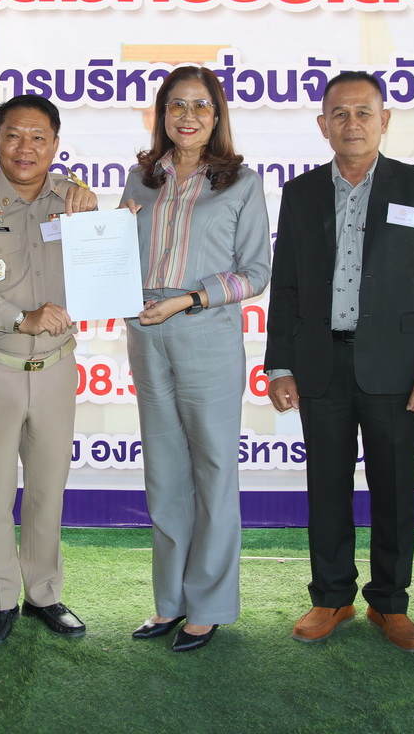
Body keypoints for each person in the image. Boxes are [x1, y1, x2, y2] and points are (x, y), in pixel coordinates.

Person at [265, 71, 414, 652]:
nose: (352, 124)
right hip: (319, 364)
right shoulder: (300, 193)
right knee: (326, 487)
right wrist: (280, 364)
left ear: (384, 120)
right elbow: (286, 286)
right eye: (340, 114)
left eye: (364, 112)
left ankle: (390, 604)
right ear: (323, 125)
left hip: (396, 368)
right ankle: (331, 597)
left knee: (395, 491)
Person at [119, 66, 270, 652]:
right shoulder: (140, 180)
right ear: (162, 113)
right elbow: (115, 256)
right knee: (164, 472)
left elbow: (256, 272)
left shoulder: (241, 183)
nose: (187, 116)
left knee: (213, 470)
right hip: (145, 330)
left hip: (205, 329)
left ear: (217, 116)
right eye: (176, 105)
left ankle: (207, 605)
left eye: (200, 105)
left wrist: (188, 298)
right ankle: (169, 602)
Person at [0, 94, 95, 645]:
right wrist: (20, 318)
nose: (25, 148)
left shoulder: (74, 201)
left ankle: (44, 594)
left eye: (38, 138)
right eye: (13, 135)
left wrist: (101, 220)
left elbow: (102, 265)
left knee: (48, 490)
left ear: (55, 144)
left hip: (55, 368)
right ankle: (0, 599)